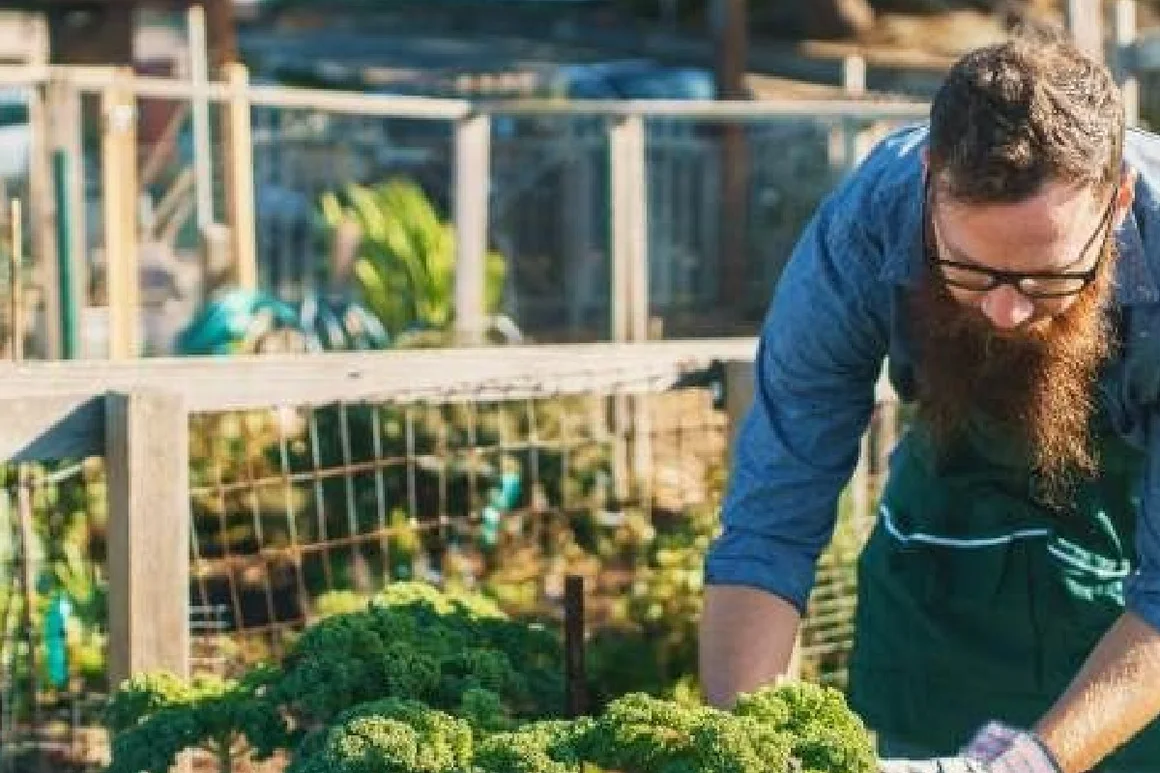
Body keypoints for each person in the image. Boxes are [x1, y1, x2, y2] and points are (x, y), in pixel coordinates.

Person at [699, 28, 1160, 773]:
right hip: (946, 551)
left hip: (1132, 584)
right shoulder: (865, 224)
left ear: (1117, 204)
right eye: (972, 272)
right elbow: (770, 521)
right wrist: (738, 747)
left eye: (1047, 278)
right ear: (929, 181)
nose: (1006, 313)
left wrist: (1019, 766)